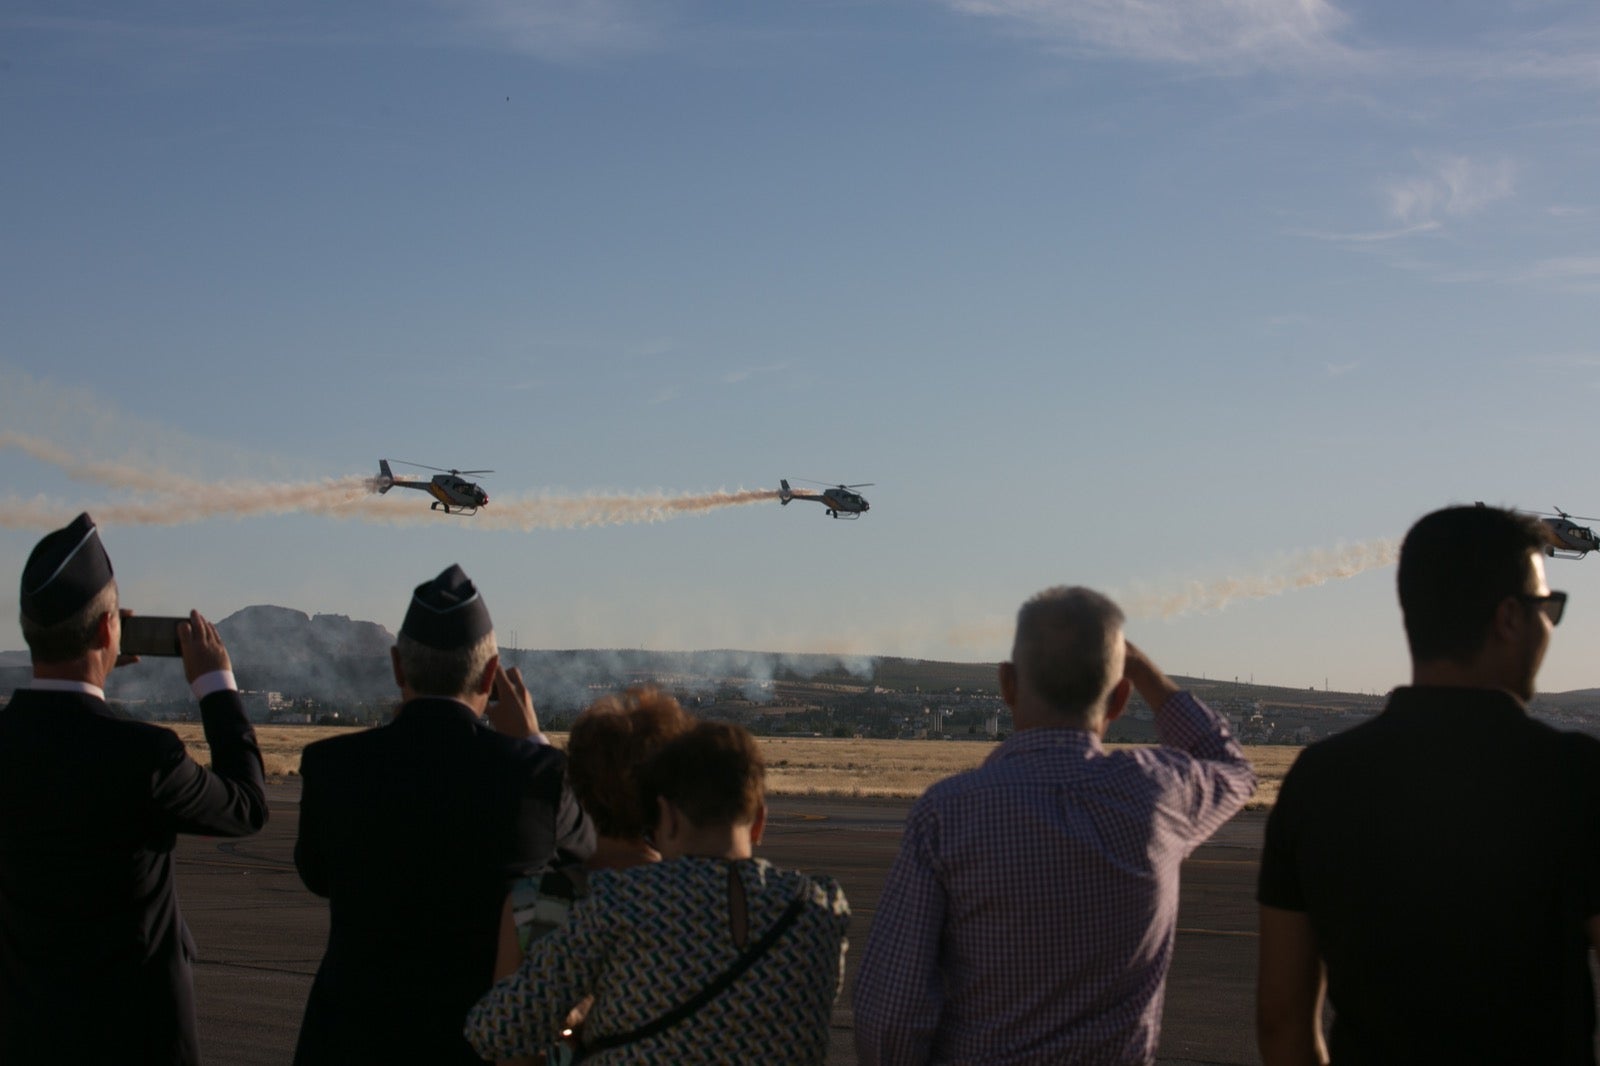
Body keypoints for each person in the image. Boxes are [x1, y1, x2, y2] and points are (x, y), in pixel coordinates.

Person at [853, 585, 1256, 1066]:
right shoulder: (1160, 794)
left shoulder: (947, 811)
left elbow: (891, 1014)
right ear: (1120, 698)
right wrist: (1144, 672)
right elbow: (1232, 768)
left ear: (1007, 684)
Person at [1256, 505, 1600, 1065]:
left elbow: (1281, 1022)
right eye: (1548, 608)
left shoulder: (1318, 779)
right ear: (1509, 618)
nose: (1550, 625)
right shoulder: (1578, 774)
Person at [292, 564, 594, 1065]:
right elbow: (590, 855)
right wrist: (533, 744)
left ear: (398, 667)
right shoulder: (535, 777)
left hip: (350, 1042)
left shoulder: (332, 765)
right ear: (491, 674)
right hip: (480, 1046)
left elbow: (317, 875)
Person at [0, 512, 268, 1065]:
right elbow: (245, 806)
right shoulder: (147, 756)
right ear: (109, 631)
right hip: (137, 1038)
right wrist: (217, 687)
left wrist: (92, 664)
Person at [465, 721, 851, 1064]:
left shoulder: (621, 901)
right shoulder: (818, 907)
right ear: (759, 821)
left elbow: (495, 1031)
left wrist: (581, 1019)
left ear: (666, 817)